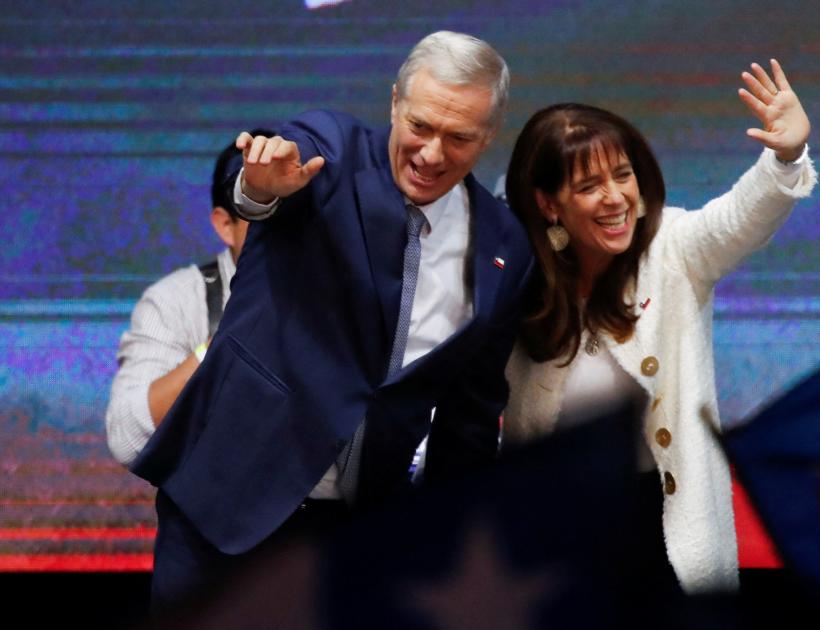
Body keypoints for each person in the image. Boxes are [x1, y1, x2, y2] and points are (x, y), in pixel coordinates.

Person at [129, 31, 534, 607]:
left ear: (490, 135)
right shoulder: (331, 153)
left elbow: (469, 419)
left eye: (460, 137)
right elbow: (270, 178)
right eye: (420, 125)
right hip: (231, 501)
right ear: (394, 102)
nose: (432, 153)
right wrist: (258, 187)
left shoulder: (504, 246)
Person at [500, 59, 817, 594]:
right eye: (589, 185)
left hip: (659, 527)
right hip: (552, 533)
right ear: (548, 203)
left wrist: (785, 156)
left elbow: (740, 217)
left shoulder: (675, 247)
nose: (616, 197)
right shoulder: (517, 275)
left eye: (622, 176)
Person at [105, 132, 270, 468]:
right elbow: (125, 438)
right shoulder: (174, 301)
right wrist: (222, 344)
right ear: (226, 225)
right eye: (263, 217)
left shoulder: (346, 292)